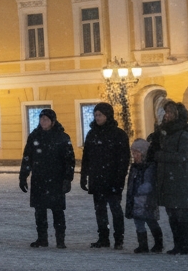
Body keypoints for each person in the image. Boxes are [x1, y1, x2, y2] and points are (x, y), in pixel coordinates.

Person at [19, 108, 74, 249]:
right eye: (41, 119)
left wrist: (68, 178)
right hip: (39, 179)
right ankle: (42, 239)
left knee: (57, 211)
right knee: (40, 211)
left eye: (46, 119)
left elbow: (69, 160)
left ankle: (60, 240)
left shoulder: (62, 137)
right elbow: (27, 158)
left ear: (53, 121)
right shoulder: (34, 136)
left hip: (56, 180)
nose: (43, 121)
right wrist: (23, 176)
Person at [80, 101, 130, 249]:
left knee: (115, 209)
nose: (97, 118)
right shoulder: (92, 133)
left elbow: (124, 159)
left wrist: (119, 178)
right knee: (100, 210)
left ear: (107, 115)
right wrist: (84, 175)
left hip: (113, 179)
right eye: (95, 115)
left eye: (100, 115)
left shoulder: (118, 134)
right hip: (97, 179)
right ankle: (103, 238)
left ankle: (118, 239)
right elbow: (86, 157)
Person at [152, 100, 188, 255]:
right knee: (172, 214)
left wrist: (159, 155)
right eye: (165, 112)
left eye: (170, 112)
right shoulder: (164, 132)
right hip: (167, 179)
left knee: (181, 214)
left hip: (180, 179)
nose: (166, 115)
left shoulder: (184, 134)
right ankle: (178, 245)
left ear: (177, 115)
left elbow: (182, 156)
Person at [124, 138, 164, 254]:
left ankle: (158, 243)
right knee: (138, 222)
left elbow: (149, 183)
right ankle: (143, 244)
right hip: (136, 199)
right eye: (133, 153)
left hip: (146, 199)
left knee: (151, 221)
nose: (135, 155)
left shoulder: (149, 167)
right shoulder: (135, 167)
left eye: (137, 153)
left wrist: (140, 191)